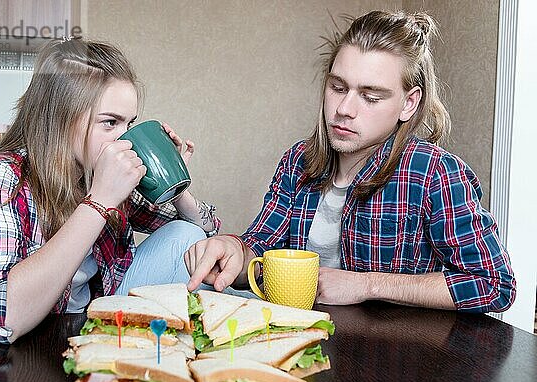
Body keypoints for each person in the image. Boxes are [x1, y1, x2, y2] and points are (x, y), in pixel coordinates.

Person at [185, 10, 516, 313]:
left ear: (409, 104)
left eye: (370, 97)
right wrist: (233, 251)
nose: (344, 109)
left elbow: (494, 285)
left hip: (387, 358)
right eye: (338, 87)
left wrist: (365, 284)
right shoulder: (296, 162)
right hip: (300, 340)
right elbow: (260, 251)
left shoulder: (434, 173)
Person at [0, 38, 220, 343]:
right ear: (59, 119)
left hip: (86, 325)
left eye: (129, 123)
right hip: (21, 343)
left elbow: (203, 231)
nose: (126, 140)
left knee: (185, 236)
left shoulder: (102, 171)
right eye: (110, 122)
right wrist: (98, 202)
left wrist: (175, 182)